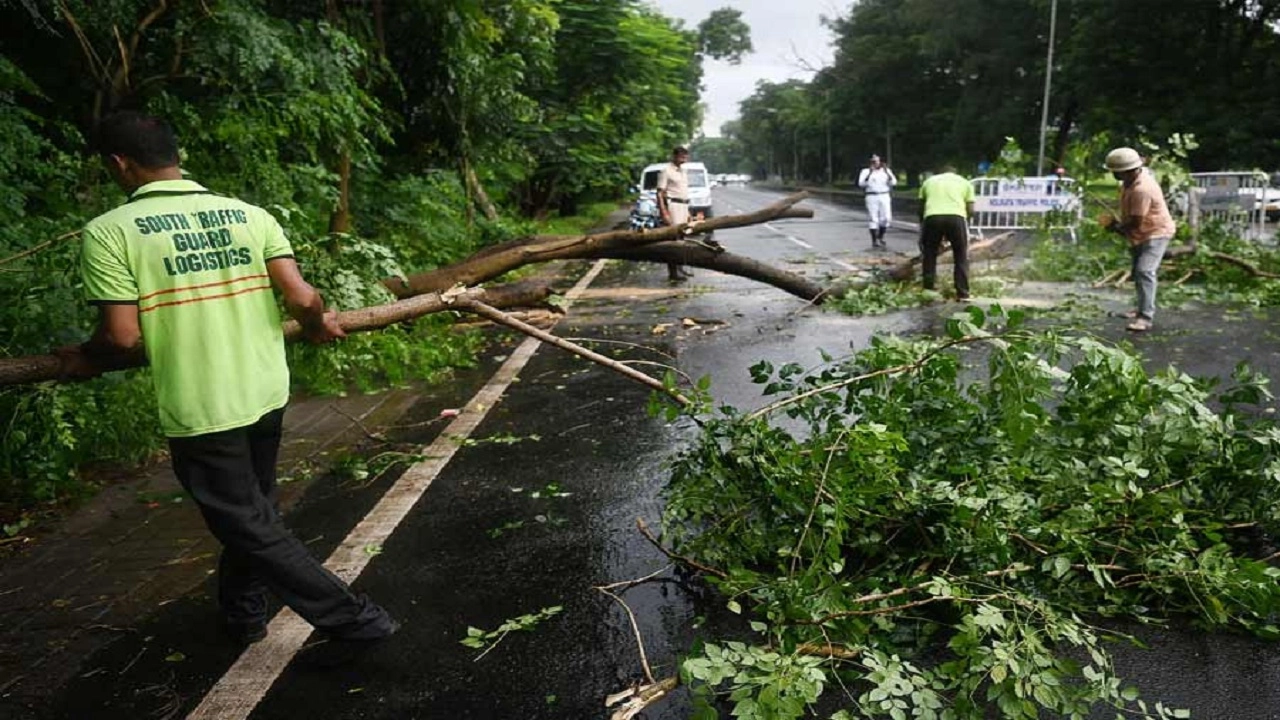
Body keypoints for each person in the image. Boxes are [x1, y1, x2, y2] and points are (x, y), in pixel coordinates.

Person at [59, 111, 398, 648]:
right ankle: (242, 614)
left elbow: (121, 337)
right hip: (265, 390)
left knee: (248, 523)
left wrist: (83, 355)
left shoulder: (110, 232)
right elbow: (304, 297)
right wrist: (315, 326)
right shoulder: (248, 215)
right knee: (255, 512)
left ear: (119, 164)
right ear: (176, 156)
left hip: (202, 404)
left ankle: (356, 621)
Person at [1102, 146, 1176, 332]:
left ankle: (1145, 317)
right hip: (1142, 233)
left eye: (1116, 172)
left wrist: (1115, 227)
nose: (1114, 176)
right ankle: (1140, 308)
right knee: (1137, 272)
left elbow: (1136, 221)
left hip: (1155, 232)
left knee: (1145, 271)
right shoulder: (1129, 183)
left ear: (1127, 171)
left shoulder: (1142, 189)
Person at [917, 164, 975, 300]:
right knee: (961, 255)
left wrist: (923, 225)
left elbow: (920, 207)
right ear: (955, 172)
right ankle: (963, 292)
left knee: (929, 254)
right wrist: (964, 221)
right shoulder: (965, 183)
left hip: (932, 217)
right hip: (956, 217)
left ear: (939, 172)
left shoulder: (928, 182)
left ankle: (928, 289)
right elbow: (971, 209)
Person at [656, 146, 693, 281]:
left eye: (685, 156)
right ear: (674, 156)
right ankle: (673, 272)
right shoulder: (666, 171)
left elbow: (683, 192)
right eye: (681, 156)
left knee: (682, 238)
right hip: (673, 206)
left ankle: (679, 268)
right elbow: (660, 193)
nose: (684, 159)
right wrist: (664, 212)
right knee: (673, 238)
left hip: (683, 206)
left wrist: (688, 212)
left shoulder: (684, 171)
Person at [858, 154, 897, 249]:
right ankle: (874, 240)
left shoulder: (886, 171)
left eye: (876, 161)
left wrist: (887, 173)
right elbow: (861, 184)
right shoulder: (865, 171)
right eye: (873, 161)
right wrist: (869, 174)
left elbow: (894, 182)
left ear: (880, 162)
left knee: (886, 218)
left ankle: (880, 236)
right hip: (871, 196)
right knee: (873, 218)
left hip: (884, 195)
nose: (875, 163)